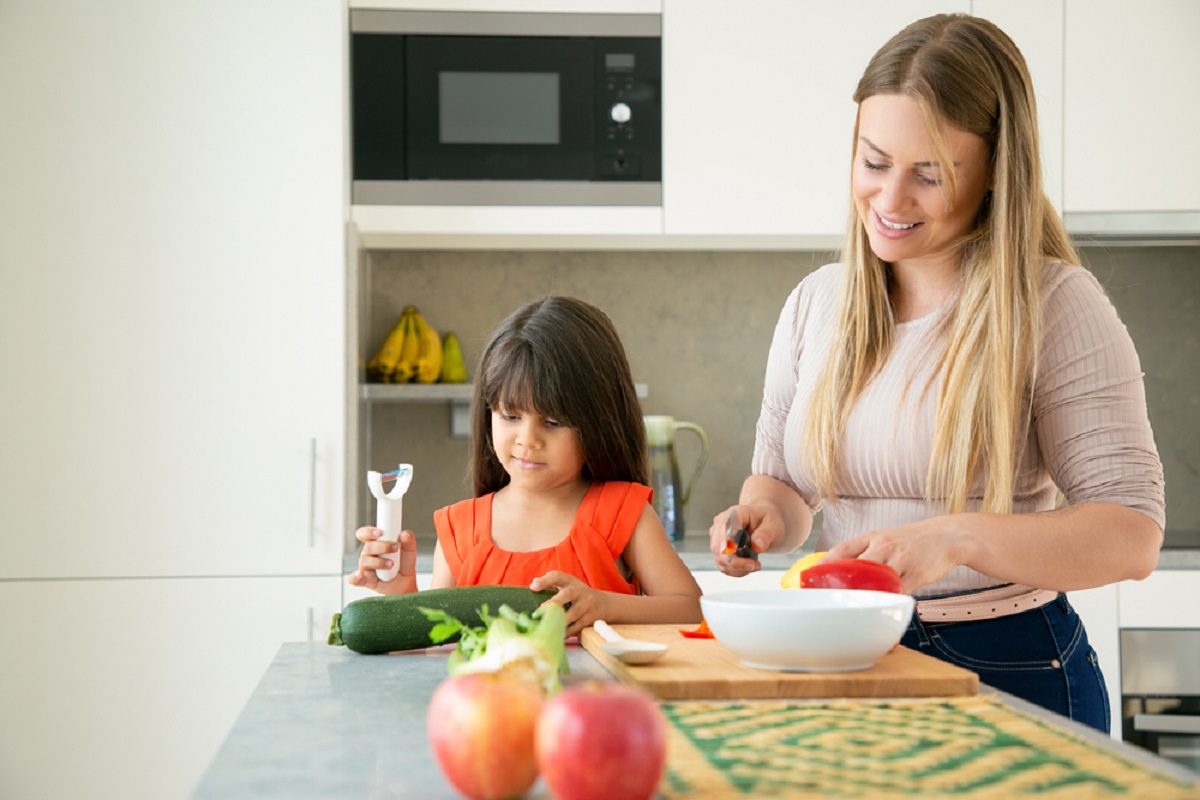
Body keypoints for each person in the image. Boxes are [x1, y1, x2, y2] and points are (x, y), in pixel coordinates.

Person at [710, 13, 1164, 733]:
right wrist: (763, 518)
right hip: (845, 649)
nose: (890, 201)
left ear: (994, 174)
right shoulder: (814, 305)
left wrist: (954, 538)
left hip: (1006, 662)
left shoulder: (1054, 305)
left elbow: (1132, 535)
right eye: (874, 161)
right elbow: (788, 489)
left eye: (930, 175)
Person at [351, 295, 702, 636]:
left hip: (600, 696)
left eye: (552, 422)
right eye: (510, 416)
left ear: (598, 422)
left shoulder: (623, 512)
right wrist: (402, 595)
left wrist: (605, 606)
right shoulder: (460, 530)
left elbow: (692, 609)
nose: (527, 438)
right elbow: (436, 647)